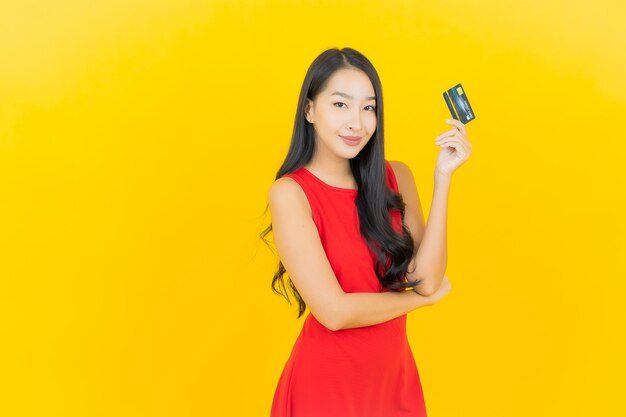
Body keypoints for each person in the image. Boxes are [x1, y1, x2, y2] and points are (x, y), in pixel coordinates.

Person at [260, 47, 472, 417]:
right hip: (326, 390)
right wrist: (419, 302)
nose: (356, 122)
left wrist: (443, 178)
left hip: (393, 384)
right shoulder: (291, 194)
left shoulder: (397, 177)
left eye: (368, 107)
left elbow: (427, 279)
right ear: (310, 110)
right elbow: (334, 312)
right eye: (340, 105)